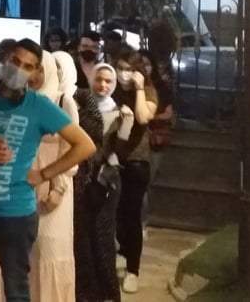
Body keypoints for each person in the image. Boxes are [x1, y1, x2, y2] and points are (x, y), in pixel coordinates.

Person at [0, 38, 96, 302]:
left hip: (17, 214)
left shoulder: (39, 106)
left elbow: (85, 145)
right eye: (15, 61)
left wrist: (44, 175)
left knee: (16, 290)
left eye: (28, 66)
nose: (19, 70)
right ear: (4, 59)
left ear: (35, 73)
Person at [0, 51, 78, 302]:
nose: (34, 76)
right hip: (18, 189)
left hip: (54, 189)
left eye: (39, 69)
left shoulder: (62, 102)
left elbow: (73, 150)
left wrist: (57, 188)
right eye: (29, 69)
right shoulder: (18, 101)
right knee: (16, 254)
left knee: (49, 251)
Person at [73, 64, 132, 302]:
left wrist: (126, 126)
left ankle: (106, 291)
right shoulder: (79, 106)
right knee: (81, 235)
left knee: (102, 235)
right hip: (81, 178)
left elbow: (121, 152)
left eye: (108, 81)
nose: (103, 85)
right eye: (99, 79)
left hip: (105, 181)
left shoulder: (121, 113)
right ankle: (85, 291)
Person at [111, 47, 159, 294]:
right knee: (113, 214)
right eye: (120, 68)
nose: (124, 74)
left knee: (131, 215)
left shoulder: (148, 90)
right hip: (111, 158)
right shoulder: (112, 88)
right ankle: (119, 253)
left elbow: (142, 117)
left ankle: (133, 270)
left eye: (129, 69)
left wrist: (139, 88)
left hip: (136, 161)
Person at [139, 49, 175, 233]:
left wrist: (148, 116)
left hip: (154, 139)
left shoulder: (161, 87)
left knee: (146, 182)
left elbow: (168, 113)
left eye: (147, 64)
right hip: (134, 140)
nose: (144, 68)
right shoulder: (130, 86)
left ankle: (142, 222)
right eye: (140, 64)